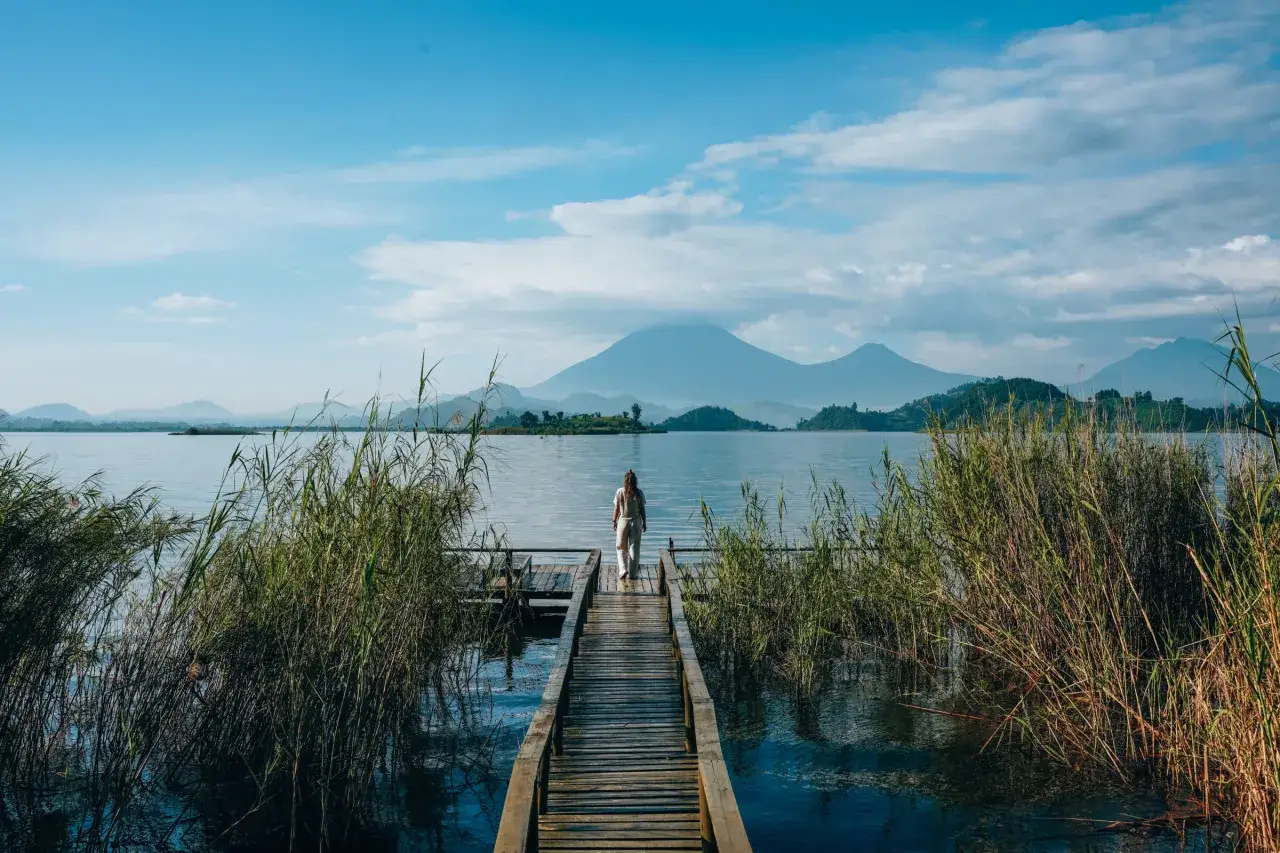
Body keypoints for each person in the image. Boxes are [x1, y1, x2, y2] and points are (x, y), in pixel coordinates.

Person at [612, 469, 646, 579]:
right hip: (636, 522)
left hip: (623, 522)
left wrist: (614, 521)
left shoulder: (620, 492)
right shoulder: (639, 493)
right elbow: (642, 509)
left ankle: (623, 570)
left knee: (621, 547)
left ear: (625, 481)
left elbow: (616, 508)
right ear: (635, 481)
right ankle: (632, 574)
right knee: (634, 549)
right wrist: (645, 522)